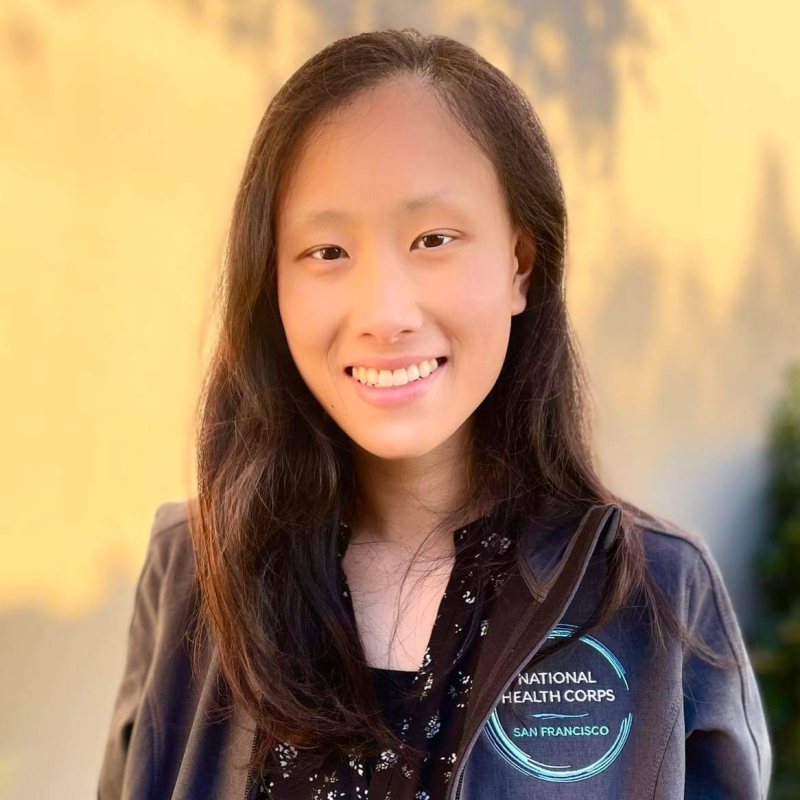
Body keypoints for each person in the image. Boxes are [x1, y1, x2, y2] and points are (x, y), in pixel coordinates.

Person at [97, 28, 772, 800]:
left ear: (520, 263)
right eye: (326, 252)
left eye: (433, 239)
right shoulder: (194, 568)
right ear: (270, 282)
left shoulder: (654, 591)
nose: (384, 313)